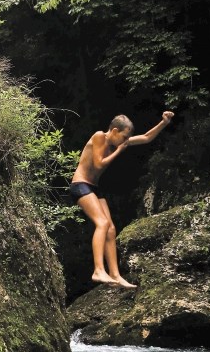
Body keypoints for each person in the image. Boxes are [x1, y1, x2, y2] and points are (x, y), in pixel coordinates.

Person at [69, 111, 175, 289]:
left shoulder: (120, 141)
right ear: (115, 131)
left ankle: (115, 275)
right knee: (101, 223)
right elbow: (98, 164)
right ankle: (98, 270)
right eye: (124, 136)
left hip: (94, 187)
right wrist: (119, 150)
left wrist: (164, 123)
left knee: (110, 229)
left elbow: (147, 138)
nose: (126, 140)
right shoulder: (99, 136)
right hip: (80, 185)